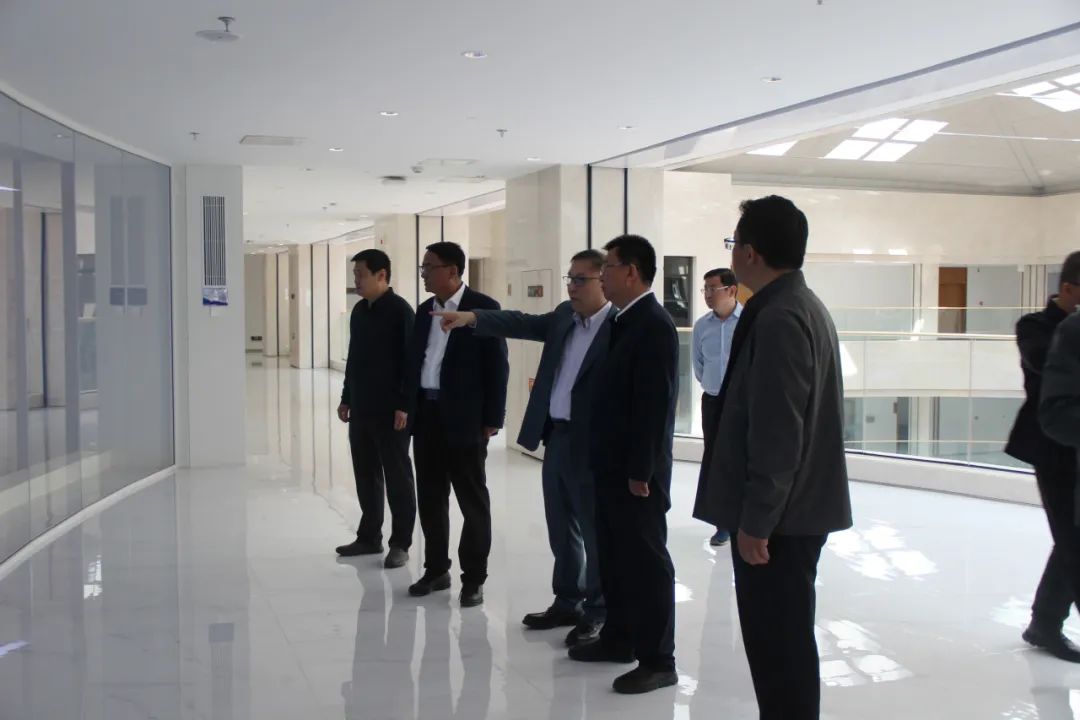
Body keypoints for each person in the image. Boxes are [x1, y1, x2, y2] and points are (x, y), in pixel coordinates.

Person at [701, 196, 852, 720]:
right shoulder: (798, 305)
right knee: (783, 644)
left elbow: (778, 432)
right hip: (796, 512)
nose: (732, 253)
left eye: (734, 243)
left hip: (782, 522)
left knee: (778, 650)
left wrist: (756, 522)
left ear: (750, 253)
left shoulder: (781, 317)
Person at [434, 249, 615, 647]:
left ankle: (598, 610)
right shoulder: (565, 317)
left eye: (580, 279)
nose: (571, 286)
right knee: (562, 527)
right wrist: (473, 318)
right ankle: (567, 600)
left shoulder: (618, 326)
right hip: (559, 437)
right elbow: (522, 322)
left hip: (594, 444)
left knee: (594, 530)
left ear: (605, 280)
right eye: (569, 278)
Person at [569, 234, 679, 696]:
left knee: (646, 564)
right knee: (614, 556)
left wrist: (640, 471)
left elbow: (655, 406)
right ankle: (619, 638)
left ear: (631, 272)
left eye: (608, 268)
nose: (602, 276)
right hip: (610, 466)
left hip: (637, 474)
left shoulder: (653, 324)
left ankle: (659, 660)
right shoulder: (622, 320)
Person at [401, 242, 509, 608]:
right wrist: (407, 407)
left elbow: (498, 366)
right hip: (427, 416)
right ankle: (436, 570)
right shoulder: (423, 311)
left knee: (471, 501)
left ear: (452, 270)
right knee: (431, 498)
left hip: (466, 420)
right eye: (422, 267)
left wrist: (493, 419)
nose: (423, 274)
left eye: (428, 267)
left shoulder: (483, 308)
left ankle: (474, 579)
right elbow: (415, 362)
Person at [1006, 251, 1080, 662]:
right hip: (1052, 450)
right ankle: (1046, 624)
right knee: (1070, 538)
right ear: (1067, 288)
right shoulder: (1036, 326)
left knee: (1070, 539)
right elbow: (1041, 361)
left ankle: (1044, 621)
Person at [335, 249, 416, 569]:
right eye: (354, 274)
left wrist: (404, 405)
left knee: (397, 477)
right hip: (362, 407)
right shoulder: (359, 311)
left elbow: (411, 364)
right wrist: (346, 397)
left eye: (360, 274)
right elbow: (354, 358)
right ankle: (369, 537)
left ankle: (401, 543)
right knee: (366, 474)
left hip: (392, 412)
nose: (355, 280)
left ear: (382, 275)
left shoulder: (400, 312)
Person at [690, 267, 742, 547]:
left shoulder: (748, 322)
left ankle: (743, 521)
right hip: (712, 401)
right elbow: (698, 364)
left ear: (731, 290)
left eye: (713, 288)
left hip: (741, 404)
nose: (708, 294)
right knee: (715, 461)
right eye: (706, 289)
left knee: (741, 460)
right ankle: (723, 524)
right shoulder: (702, 326)